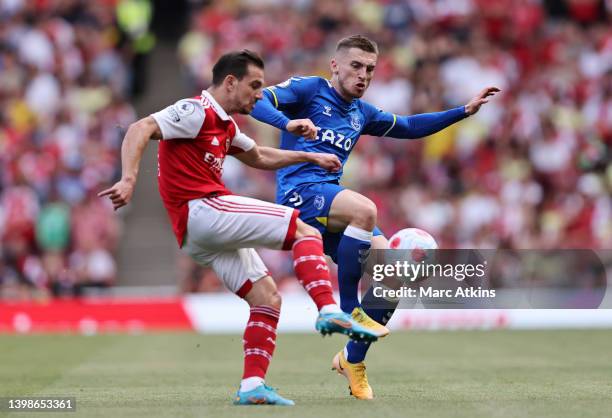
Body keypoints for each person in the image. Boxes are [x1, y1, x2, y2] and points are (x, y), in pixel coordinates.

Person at [98, 50, 379, 406]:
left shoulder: (225, 125)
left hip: (197, 235)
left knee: (267, 299)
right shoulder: (195, 110)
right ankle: (328, 309)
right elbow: (141, 127)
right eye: (255, 86)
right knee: (305, 231)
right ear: (230, 82)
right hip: (202, 209)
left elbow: (259, 156)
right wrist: (128, 178)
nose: (260, 95)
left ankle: (252, 386)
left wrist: (309, 155)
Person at [250, 35, 500, 399]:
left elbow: (410, 127)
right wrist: (287, 124)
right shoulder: (309, 90)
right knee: (366, 209)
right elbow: (259, 102)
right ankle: (350, 311)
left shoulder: (361, 113)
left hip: (334, 208)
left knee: (395, 275)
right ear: (335, 65)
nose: (363, 75)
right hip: (300, 194)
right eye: (355, 66)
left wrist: (462, 111)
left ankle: (352, 359)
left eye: (369, 68)